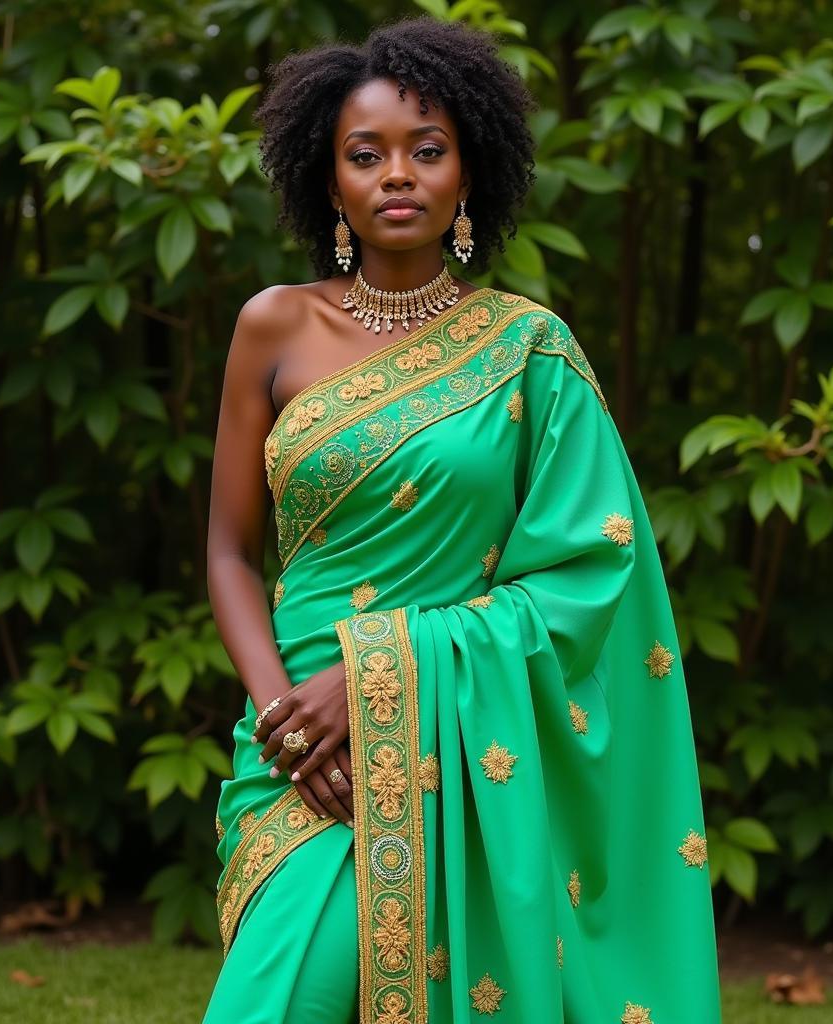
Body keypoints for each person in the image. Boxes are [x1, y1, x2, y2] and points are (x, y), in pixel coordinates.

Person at [202, 15, 721, 1024]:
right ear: (330, 179)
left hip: (450, 738)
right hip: (289, 742)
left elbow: (586, 577)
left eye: (426, 150)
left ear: (468, 173)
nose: (398, 174)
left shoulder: (527, 351)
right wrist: (282, 726)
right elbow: (226, 549)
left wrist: (375, 677)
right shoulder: (272, 323)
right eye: (368, 155)